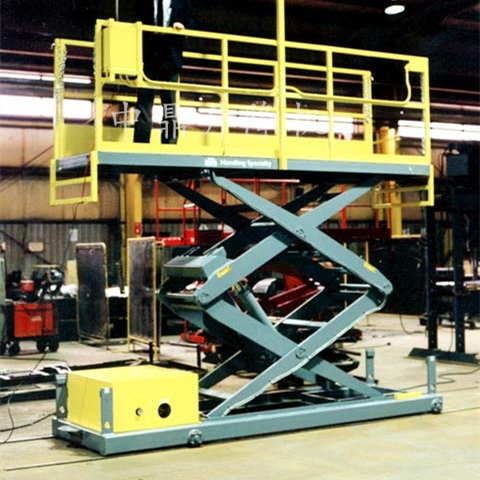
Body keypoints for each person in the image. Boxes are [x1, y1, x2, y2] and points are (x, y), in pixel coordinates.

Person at [134, 0, 193, 144]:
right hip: (149, 55)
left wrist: (183, 26)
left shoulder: (181, 2)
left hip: (170, 57)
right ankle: (141, 144)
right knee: (144, 103)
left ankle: (169, 143)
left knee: (169, 104)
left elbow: (192, 20)